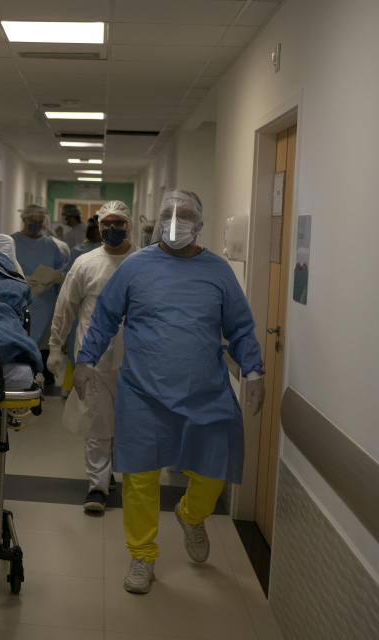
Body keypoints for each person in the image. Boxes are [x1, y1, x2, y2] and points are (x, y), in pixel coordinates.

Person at [75, 190, 265, 595]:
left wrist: (254, 370)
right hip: (143, 391)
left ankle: (191, 515)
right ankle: (142, 555)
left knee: (214, 471)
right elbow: (104, 316)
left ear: (201, 222)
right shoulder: (136, 266)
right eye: (167, 214)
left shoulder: (218, 271)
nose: (175, 221)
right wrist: (84, 360)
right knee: (140, 479)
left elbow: (240, 325)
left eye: (185, 214)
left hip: (206, 391)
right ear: (154, 221)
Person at [48, 201, 135, 514]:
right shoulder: (85, 264)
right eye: (106, 223)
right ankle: (96, 486)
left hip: (136, 361)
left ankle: (111, 472)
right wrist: (56, 346)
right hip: (93, 360)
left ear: (129, 225)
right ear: (99, 227)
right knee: (97, 422)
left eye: (119, 223)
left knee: (127, 425)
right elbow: (66, 307)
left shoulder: (142, 263)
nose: (112, 229)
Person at [11, 204, 67, 384]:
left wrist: (59, 277)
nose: (35, 224)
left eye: (39, 221)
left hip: (46, 303)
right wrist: (19, 278)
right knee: (21, 343)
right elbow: (0, 270)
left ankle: (40, 378)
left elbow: (61, 268)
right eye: (31, 221)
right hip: (19, 302)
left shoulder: (50, 245)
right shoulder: (11, 242)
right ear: (23, 220)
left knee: (42, 345)